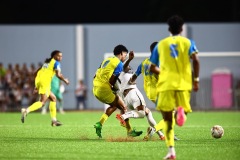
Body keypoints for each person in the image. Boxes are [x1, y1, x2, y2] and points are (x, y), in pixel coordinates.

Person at [148, 15, 200, 160]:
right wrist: (196, 80)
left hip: (166, 84)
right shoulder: (188, 42)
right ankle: (180, 112)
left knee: (167, 120)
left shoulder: (161, 45)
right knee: (179, 115)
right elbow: (196, 60)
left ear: (169, 29)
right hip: (184, 83)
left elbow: (152, 68)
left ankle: (171, 152)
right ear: (182, 29)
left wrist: (164, 72)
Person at [129, 42, 179, 141]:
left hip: (150, 93)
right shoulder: (159, 62)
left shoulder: (144, 62)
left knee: (167, 114)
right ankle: (154, 129)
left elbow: (133, 78)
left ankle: (170, 134)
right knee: (173, 113)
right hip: (159, 92)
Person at [93, 44, 142, 138]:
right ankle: (129, 131)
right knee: (123, 107)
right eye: (125, 55)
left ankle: (100, 123)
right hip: (104, 88)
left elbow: (95, 75)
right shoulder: (118, 63)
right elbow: (112, 79)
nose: (125, 57)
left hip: (95, 87)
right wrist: (114, 88)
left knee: (114, 106)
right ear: (121, 53)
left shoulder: (107, 60)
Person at [114, 51, 165, 140]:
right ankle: (124, 116)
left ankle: (161, 135)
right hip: (133, 93)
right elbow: (125, 66)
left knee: (147, 112)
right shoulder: (123, 69)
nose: (129, 68)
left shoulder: (117, 76)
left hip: (126, 98)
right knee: (141, 113)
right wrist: (129, 59)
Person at [21, 50, 70, 126]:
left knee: (53, 98)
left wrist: (36, 86)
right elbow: (58, 75)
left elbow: (35, 73)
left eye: (61, 56)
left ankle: (54, 120)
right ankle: (26, 111)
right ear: (54, 56)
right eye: (58, 56)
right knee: (42, 102)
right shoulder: (56, 63)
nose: (60, 57)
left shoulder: (46, 63)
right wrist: (65, 80)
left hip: (40, 81)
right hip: (45, 83)